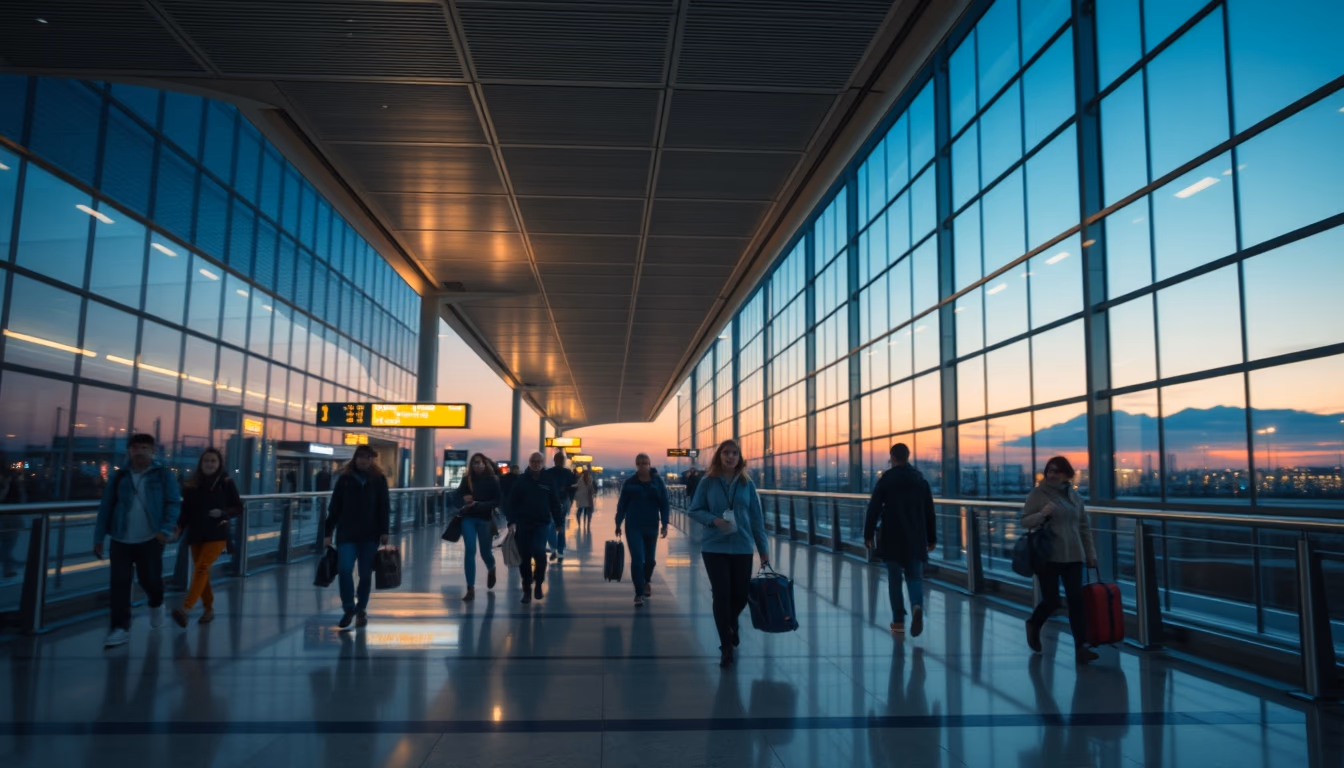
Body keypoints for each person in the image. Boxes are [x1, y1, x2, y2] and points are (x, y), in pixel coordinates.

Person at [93, 433, 182, 648]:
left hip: (151, 538)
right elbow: (106, 506)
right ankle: (120, 628)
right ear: (129, 451)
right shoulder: (119, 476)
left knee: (149, 579)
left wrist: (165, 529)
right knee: (119, 584)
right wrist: (99, 537)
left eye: (144, 448)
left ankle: (156, 602)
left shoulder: (162, 474)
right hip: (120, 538)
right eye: (135, 448)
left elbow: (173, 502)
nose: (140, 452)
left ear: (153, 451)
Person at [686, 439, 770, 668]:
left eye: (734, 453)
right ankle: (726, 647)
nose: (731, 457)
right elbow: (694, 510)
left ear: (739, 457)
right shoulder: (707, 482)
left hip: (742, 546)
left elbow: (757, 519)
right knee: (721, 595)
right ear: (719, 456)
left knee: (741, 595)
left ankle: (731, 622)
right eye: (726, 453)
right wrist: (714, 520)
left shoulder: (746, 484)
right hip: (714, 547)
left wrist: (763, 550)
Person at [1022, 455, 1099, 664]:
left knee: (1076, 600)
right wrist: (1042, 514)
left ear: (1067, 474)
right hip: (1048, 556)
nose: (1052, 474)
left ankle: (1081, 647)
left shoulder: (1075, 497)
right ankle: (1034, 624)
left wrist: (1090, 553)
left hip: (1074, 555)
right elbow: (1025, 521)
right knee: (1052, 600)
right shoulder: (1038, 494)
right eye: (1049, 470)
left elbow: (1084, 527)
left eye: (1056, 471)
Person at [863, 443, 936, 637]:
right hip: (916, 538)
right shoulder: (920, 480)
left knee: (894, 581)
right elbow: (929, 512)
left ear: (893, 458)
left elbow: (874, 508)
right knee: (914, 577)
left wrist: (868, 534)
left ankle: (898, 623)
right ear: (907, 457)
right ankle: (916, 606)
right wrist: (931, 538)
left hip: (892, 537)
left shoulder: (886, 479)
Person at [323, 444, 391, 630]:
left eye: (367, 457)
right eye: (361, 457)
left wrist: (384, 530)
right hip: (347, 533)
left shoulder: (378, 479)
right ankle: (348, 608)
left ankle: (361, 608)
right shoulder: (345, 479)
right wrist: (328, 532)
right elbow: (334, 507)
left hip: (370, 535)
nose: (364, 460)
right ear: (355, 458)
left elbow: (383, 506)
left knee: (365, 574)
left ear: (372, 460)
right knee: (344, 569)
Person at [171, 448, 241, 627]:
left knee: (202, 567)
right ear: (201, 463)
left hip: (217, 532)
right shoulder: (192, 484)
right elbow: (186, 511)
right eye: (206, 461)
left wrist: (223, 512)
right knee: (201, 571)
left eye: (213, 461)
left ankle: (186, 609)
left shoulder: (226, 482)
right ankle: (208, 609)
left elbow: (238, 507)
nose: (209, 464)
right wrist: (179, 528)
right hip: (196, 532)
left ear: (219, 464)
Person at [615, 454, 670, 607]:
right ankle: (639, 592)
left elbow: (664, 503)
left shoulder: (657, 482)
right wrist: (618, 523)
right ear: (636, 465)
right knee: (638, 559)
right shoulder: (629, 483)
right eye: (639, 463)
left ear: (649, 464)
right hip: (633, 526)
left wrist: (665, 524)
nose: (642, 466)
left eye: (645, 463)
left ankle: (646, 581)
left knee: (650, 560)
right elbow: (622, 504)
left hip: (651, 525)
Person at [506, 452, 561, 604]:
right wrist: (511, 521)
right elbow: (511, 502)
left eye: (539, 461)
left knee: (539, 551)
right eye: (533, 461)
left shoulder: (548, 480)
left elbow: (554, 501)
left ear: (543, 463)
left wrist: (558, 521)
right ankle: (526, 588)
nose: (536, 464)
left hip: (542, 523)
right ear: (529, 462)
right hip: (523, 523)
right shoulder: (521, 480)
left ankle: (538, 582)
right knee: (524, 556)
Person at [456, 452, 501, 602]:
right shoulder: (466, 479)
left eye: (480, 462)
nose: (478, 465)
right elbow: (456, 497)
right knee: (470, 550)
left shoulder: (492, 480)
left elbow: (497, 501)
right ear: (471, 465)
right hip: (468, 518)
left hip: (485, 519)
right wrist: (463, 499)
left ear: (485, 464)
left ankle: (491, 567)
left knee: (485, 552)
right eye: (475, 462)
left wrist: (480, 505)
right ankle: (470, 588)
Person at [542, 451, 578, 562]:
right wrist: (570, 499)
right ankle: (560, 550)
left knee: (551, 525)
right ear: (563, 461)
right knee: (561, 524)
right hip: (563, 501)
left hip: (550, 502)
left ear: (554, 461)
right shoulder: (568, 473)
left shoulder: (548, 473)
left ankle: (553, 548)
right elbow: (573, 488)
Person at [0, 469, 28, 578]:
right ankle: (10, 565)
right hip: (9, 517)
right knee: (8, 544)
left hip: (9, 517)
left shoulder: (11, 487)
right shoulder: (9, 486)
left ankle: (9, 565)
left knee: (7, 544)